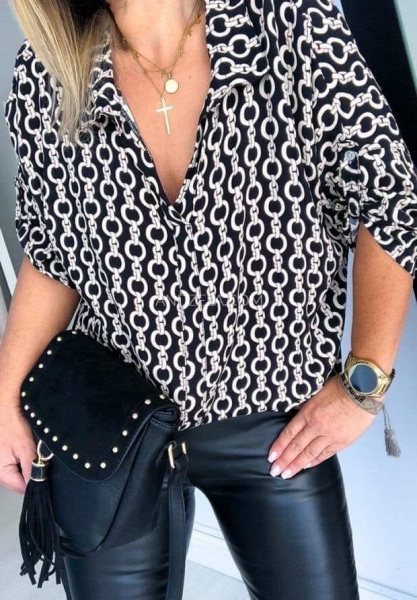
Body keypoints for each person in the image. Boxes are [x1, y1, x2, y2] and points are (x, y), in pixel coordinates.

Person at [1, 0, 416, 598]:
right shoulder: (47, 72)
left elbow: (389, 197)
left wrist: (362, 387)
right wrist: (4, 399)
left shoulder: (286, 21)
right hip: (112, 421)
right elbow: (51, 257)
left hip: (273, 423)